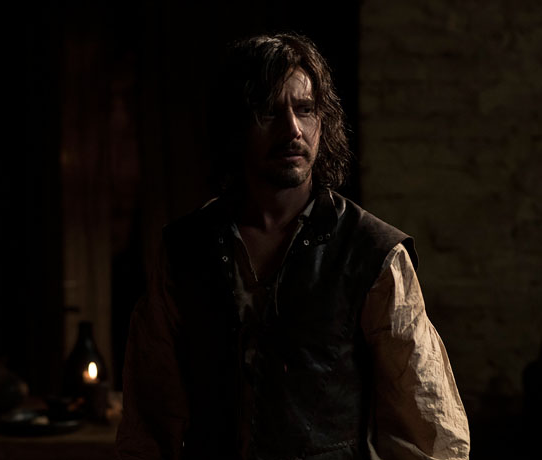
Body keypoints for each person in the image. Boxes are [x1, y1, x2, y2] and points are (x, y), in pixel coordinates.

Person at [116, 33, 470, 460]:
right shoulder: (186, 249)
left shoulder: (371, 253)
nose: (293, 130)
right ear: (235, 126)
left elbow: (428, 429)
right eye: (269, 111)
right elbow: (150, 417)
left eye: (305, 109)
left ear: (323, 121)